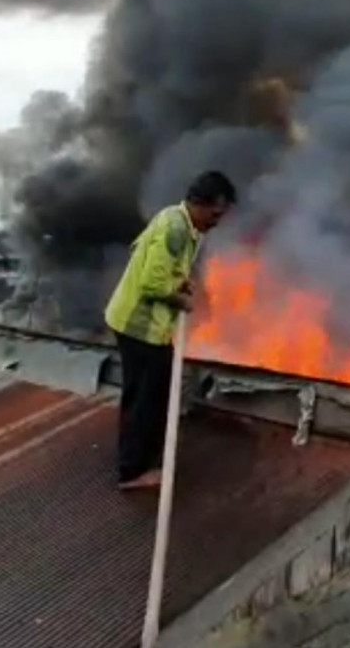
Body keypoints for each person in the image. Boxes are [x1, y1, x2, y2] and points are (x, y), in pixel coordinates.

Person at [105, 171, 237, 491]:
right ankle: (132, 471)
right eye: (215, 214)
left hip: (143, 326)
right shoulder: (176, 229)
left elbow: (150, 261)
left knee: (150, 393)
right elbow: (150, 283)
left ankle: (143, 457)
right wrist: (181, 299)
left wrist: (179, 281)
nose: (217, 222)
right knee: (145, 400)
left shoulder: (178, 220)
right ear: (199, 204)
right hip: (140, 327)